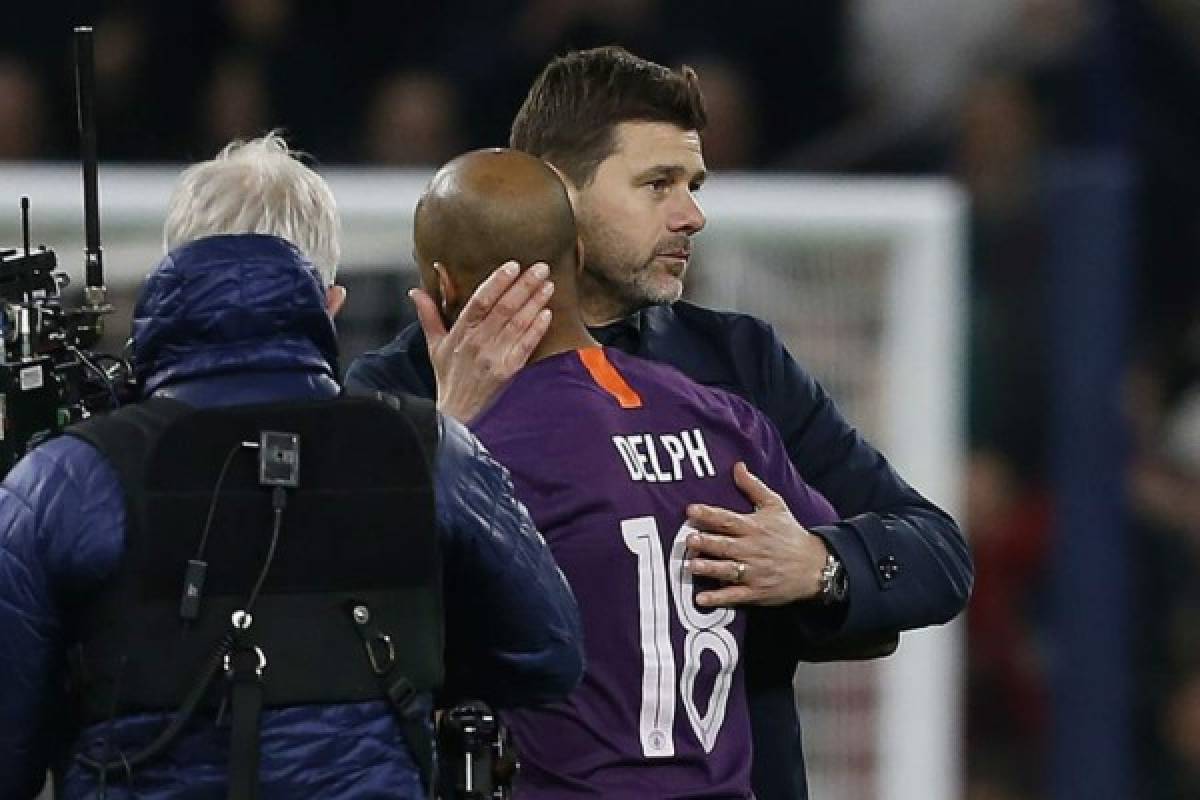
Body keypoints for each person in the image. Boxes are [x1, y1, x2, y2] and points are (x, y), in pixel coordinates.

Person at [347, 46, 973, 800]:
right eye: (658, 185)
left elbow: (936, 553)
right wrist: (449, 432)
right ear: (557, 195)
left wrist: (819, 566)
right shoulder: (402, 390)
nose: (693, 214)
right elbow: (353, 629)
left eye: (694, 184)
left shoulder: (738, 367)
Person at [0, 133, 583, 800]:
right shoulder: (433, 452)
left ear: (166, 282)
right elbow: (548, 655)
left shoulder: (62, 480)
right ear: (328, 304)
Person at [412, 146, 840, 798]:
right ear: (578, 258)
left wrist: (447, 434)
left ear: (444, 288)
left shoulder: (480, 453)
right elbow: (863, 620)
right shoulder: (729, 423)